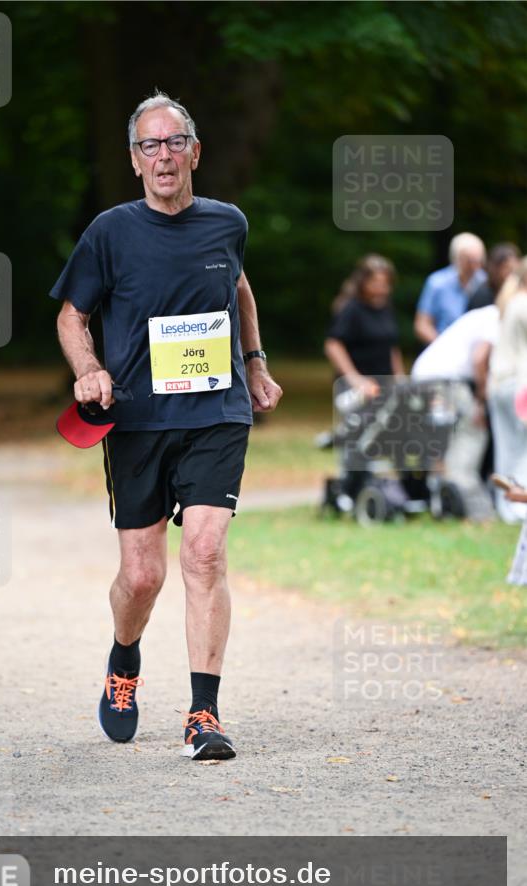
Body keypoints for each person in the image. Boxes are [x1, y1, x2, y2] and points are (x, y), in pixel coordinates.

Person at [50, 92, 282, 761]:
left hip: (216, 411)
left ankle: (203, 714)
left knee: (204, 552)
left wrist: (255, 363)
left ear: (195, 152)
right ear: (134, 160)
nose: (163, 156)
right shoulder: (109, 233)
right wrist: (88, 369)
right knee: (143, 576)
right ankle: (124, 658)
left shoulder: (227, 223)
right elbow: (72, 316)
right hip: (139, 420)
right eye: (150, 145)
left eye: (175, 142)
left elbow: (238, 287)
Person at [324, 254, 404, 498]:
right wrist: (355, 379)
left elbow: (391, 346)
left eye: (385, 283)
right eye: (376, 282)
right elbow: (333, 344)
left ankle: (383, 488)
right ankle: (350, 490)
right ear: (363, 283)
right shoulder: (352, 309)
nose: (381, 288)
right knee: (358, 435)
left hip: (384, 385)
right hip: (357, 389)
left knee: (387, 432)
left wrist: (400, 377)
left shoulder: (385, 309)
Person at [411, 305, 500, 520]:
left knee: (441, 443)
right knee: (472, 433)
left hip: (424, 377)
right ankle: (468, 501)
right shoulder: (496, 317)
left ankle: (442, 502)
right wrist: (481, 399)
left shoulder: (479, 315)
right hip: (446, 381)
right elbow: (479, 358)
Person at [487, 258, 527, 523]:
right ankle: (521, 505)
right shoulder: (523, 304)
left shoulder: (510, 302)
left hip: (499, 383)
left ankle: (507, 509)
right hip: (520, 384)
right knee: (523, 449)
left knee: (506, 448)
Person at [414, 232, 486, 344]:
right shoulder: (437, 283)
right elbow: (421, 325)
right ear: (456, 258)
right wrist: (443, 345)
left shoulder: (485, 282)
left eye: (478, 261)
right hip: (443, 347)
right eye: (470, 261)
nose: (474, 266)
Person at [467, 242, 520, 311]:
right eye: (507, 268)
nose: (511, 274)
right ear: (495, 269)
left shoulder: (517, 291)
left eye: (513, 269)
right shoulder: (482, 296)